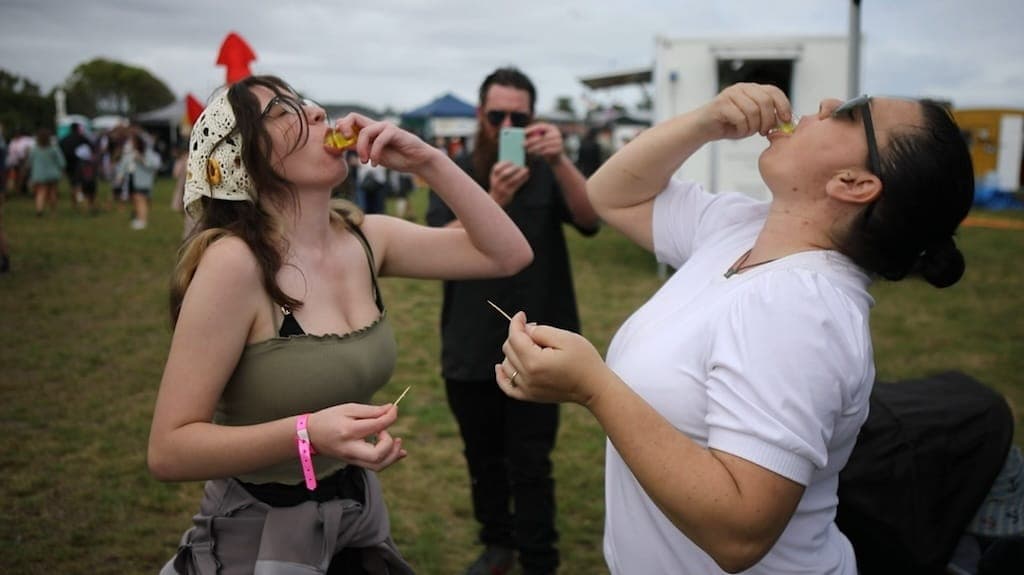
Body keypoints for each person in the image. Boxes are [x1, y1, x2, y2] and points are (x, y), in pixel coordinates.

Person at [495, 83, 975, 574]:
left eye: (852, 114)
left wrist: (594, 387)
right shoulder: (743, 229)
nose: (828, 104)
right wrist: (706, 122)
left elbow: (740, 532)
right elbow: (611, 195)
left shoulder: (802, 308)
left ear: (853, 183)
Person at [148, 75, 532, 574]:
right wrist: (307, 435)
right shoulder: (234, 265)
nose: (314, 112)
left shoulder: (365, 238)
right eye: (282, 113)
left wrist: (429, 162)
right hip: (260, 534)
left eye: (306, 103)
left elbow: (508, 254)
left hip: (355, 519)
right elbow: (169, 450)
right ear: (243, 160)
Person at [426, 66, 600, 575]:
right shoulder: (453, 168)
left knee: (531, 462)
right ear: (480, 115)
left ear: (532, 117)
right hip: (470, 337)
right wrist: (493, 201)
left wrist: (562, 161)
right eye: (496, 115)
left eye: (517, 117)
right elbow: (437, 242)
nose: (506, 124)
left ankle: (540, 559)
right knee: (483, 459)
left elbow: (590, 219)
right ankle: (498, 545)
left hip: (540, 340)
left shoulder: (548, 166)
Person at [114, 132, 161, 229]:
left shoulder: (147, 153)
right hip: (132, 180)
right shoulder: (129, 153)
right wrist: (120, 176)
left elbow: (154, 165)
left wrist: (141, 159)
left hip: (143, 181)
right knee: (135, 199)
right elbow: (124, 165)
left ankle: (143, 220)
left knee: (141, 200)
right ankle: (138, 217)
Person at [27, 128, 65, 216]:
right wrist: (62, 170)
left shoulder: (34, 149)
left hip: (39, 174)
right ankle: (53, 212)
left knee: (40, 192)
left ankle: (39, 209)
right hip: (52, 174)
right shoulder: (54, 149)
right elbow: (62, 162)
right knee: (52, 192)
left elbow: (29, 162)